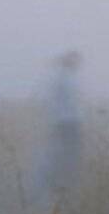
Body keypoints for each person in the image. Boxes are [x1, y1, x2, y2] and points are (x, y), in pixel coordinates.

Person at [36, 50, 84, 199]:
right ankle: (60, 186)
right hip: (67, 123)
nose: (78, 64)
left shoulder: (62, 78)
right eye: (75, 61)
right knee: (67, 157)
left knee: (61, 155)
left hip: (63, 123)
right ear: (69, 62)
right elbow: (69, 104)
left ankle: (58, 184)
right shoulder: (65, 79)